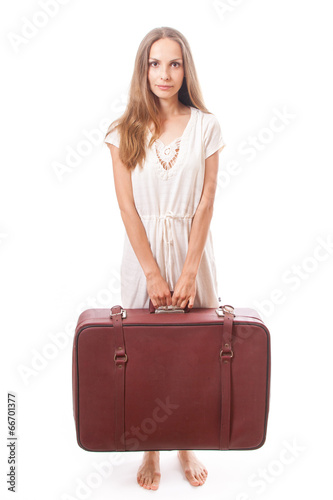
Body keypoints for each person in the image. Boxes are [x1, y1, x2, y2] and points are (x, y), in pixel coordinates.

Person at [104, 26, 226, 490]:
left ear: (185, 69)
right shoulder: (122, 131)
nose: (165, 73)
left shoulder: (207, 126)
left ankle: (185, 440)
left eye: (174, 63)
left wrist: (191, 268)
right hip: (143, 256)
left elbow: (207, 200)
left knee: (192, 352)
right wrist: (152, 272)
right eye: (156, 63)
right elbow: (126, 208)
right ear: (143, 69)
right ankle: (150, 447)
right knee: (145, 352)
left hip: (195, 249)